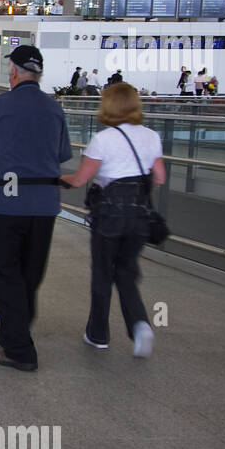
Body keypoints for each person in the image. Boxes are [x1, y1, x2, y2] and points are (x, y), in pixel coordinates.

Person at [0, 45, 72, 372]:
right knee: (30, 274)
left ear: (12, 72)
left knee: (6, 273)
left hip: (5, 206)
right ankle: (18, 328)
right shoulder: (55, 109)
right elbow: (61, 155)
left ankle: (20, 349)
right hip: (45, 205)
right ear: (38, 74)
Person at [60, 83, 165, 358]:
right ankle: (140, 325)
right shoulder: (152, 136)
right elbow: (159, 177)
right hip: (140, 216)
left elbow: (80, 179)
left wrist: (58, 179)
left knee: (103, 272)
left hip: (109, 216)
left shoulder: (103, 139)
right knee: (126, 272)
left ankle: (98, 334)